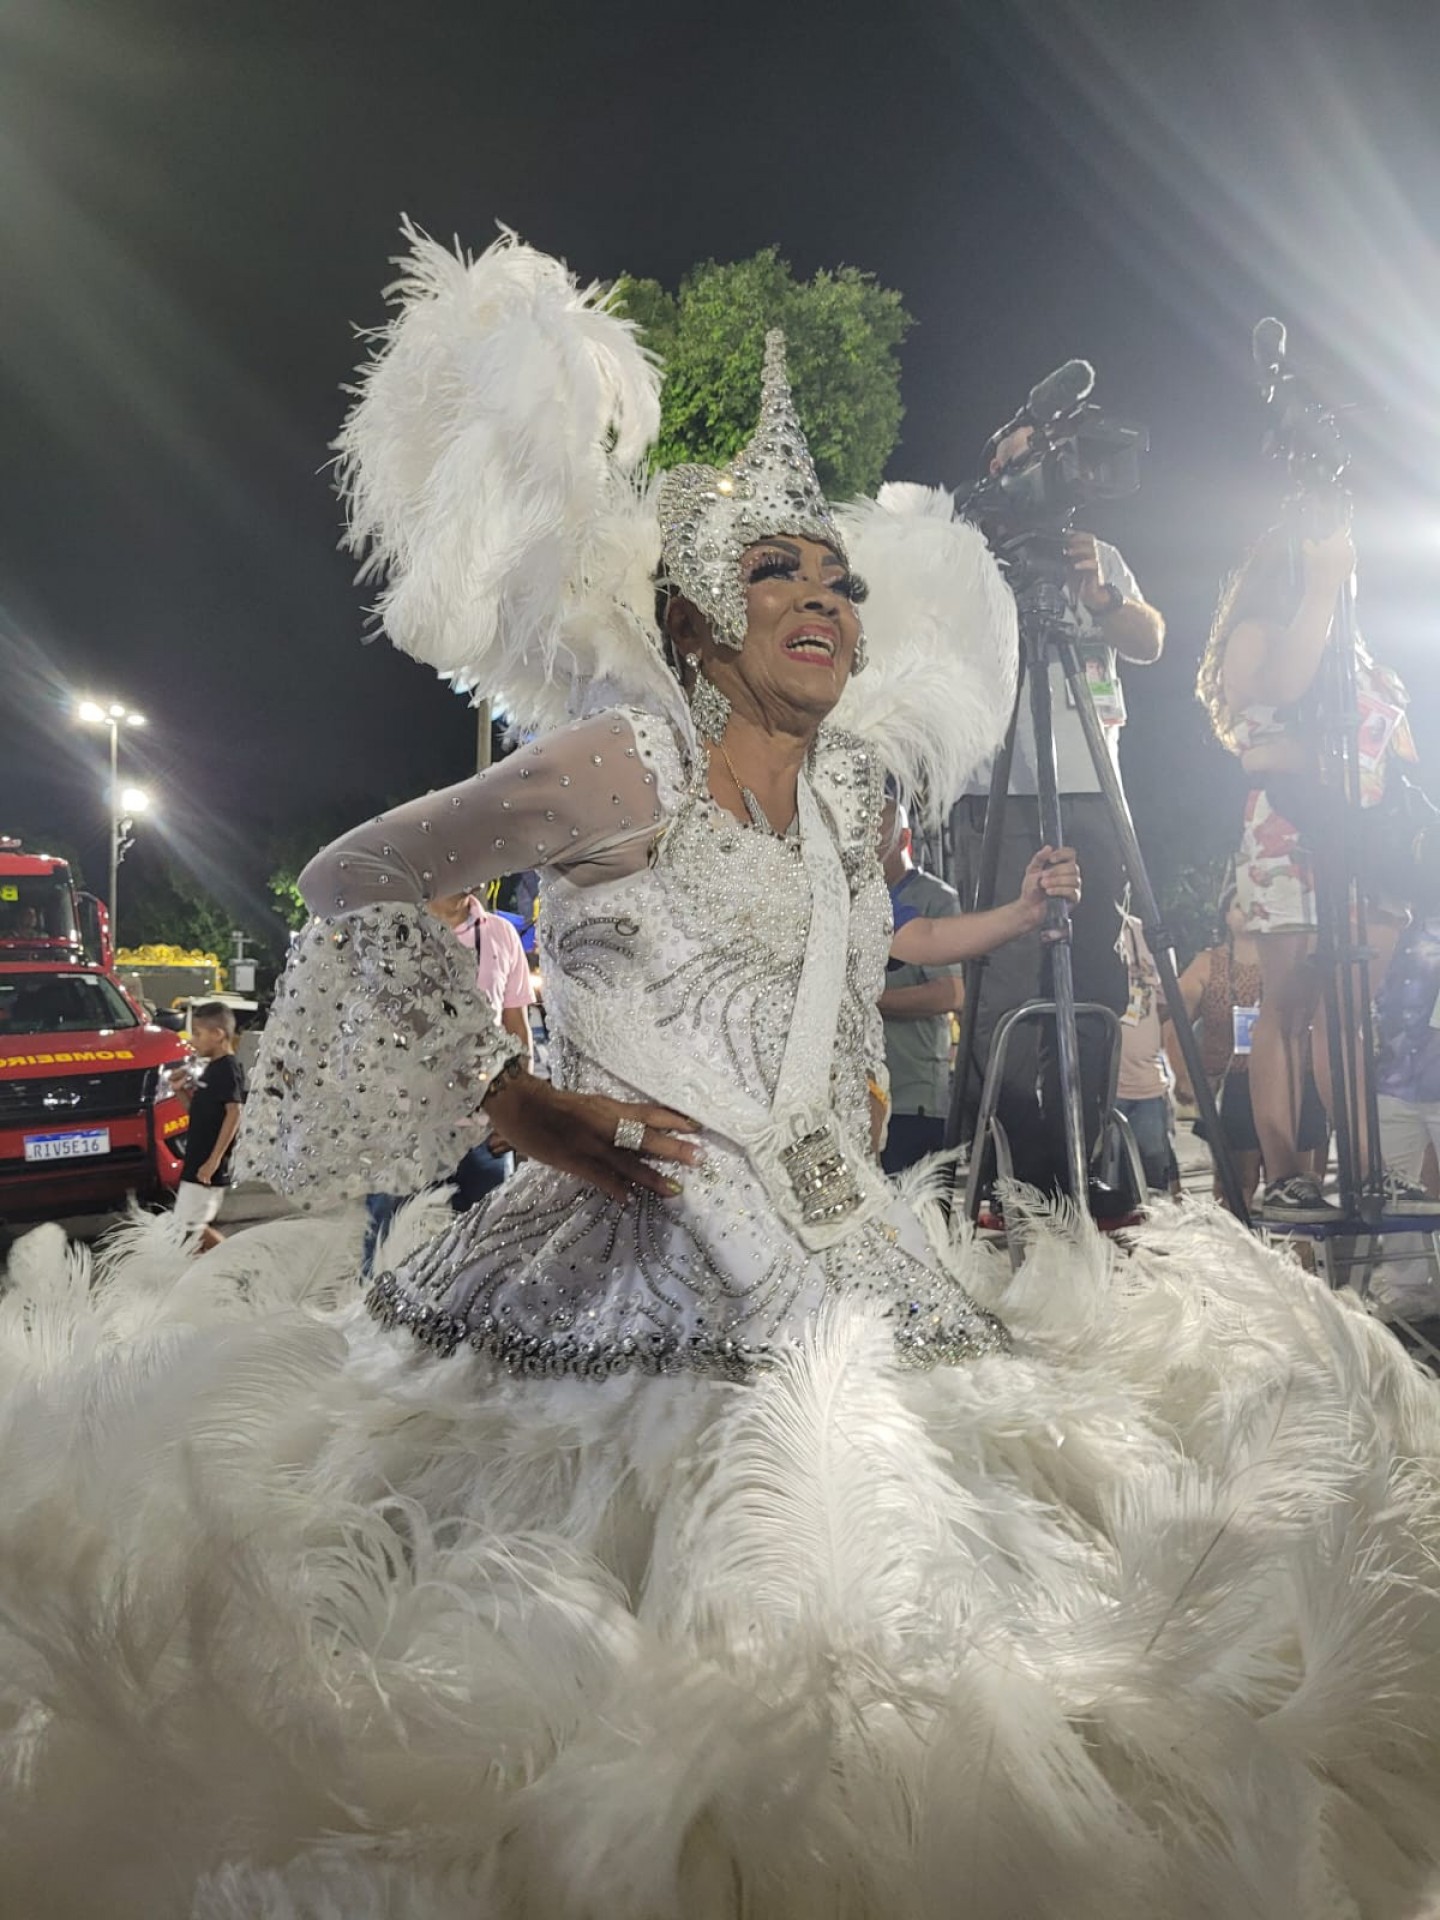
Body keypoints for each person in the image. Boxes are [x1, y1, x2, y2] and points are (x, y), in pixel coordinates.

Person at [5, 232, 1440, 1920]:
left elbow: (857, 973)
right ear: (693, 621)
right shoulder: (627, 762)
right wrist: (510, 1098)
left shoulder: (842, 808)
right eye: (777, 573)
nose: (825, 600)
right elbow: (353, 880)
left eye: (840, 580)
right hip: (615, 1265)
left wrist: (947, 994)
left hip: (840, 1255)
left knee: (972, 1621)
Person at [952, 424, 1165, 1200]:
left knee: (1097, 977)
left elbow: (1149, 640)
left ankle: (1083, 1159)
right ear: (997, 469)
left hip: (1094, 792)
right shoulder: (966, 557)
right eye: (1026, 454)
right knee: (1005, 979)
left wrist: (1100, 595)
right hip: (999, 790)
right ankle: (1014, 1168)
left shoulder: (1094, 554)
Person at [1197, 522, 1427, 1221]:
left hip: (1370, 847)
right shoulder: (1259, 633)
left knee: (1349, 1016)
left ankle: (1365, 1169)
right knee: (1290, 1008)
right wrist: (1323, 590)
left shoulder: (1359, 652)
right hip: (1292, 835)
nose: (1347, 561)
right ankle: (1286, 1174)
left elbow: (1398, 754)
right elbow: (1279, 691)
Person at [879, 804, 1080, 1175]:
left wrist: (1026, 912)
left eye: (875, 834)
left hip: (899, 1098)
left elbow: (928, 939)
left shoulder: (867, 895)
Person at [431, 888, 535, 1205]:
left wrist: (519, 1114)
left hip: (484, 1134)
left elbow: (516, 1029)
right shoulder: (396, 931)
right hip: (409, 1138)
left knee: (490, 1233)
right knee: (399, 1233)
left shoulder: (501, 932)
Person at [168, 999, 246, 1249]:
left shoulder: (227, 1069)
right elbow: (199, 1113)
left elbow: (234, 1112)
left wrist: (214, 1161)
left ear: (218, 1034)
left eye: (197, 1034)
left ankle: (235, 1261)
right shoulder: (213, 1068)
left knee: (190, 1229)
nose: (192, 1041)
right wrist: (179, 1090)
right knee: (187, 1229)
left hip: (206, 1166)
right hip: (197, 1160)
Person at [1112, 915, 1178, 1197]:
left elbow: (1168, 1003)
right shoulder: (1088, 927)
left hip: (1149, 1085)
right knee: (1109, 1181)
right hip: (1105, 1087)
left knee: (1154, 1180)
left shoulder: (1150, 933)